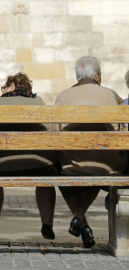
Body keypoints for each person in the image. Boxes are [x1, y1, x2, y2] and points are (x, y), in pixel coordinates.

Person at [54, 56, 125, 248]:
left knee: (65, 170)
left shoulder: (62, 96)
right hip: (106, 164)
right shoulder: (111, 95)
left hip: (72, 164)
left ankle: (82, 223)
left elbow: (54, 134)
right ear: (96, 75)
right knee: (98, 165)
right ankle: (79, 219)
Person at [0, 72, 59, 239]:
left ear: (13, 86)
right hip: (39, 164)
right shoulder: (39, 102)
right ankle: (47, 224)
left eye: (5, 87)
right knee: (46, 180)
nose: (3, 90)